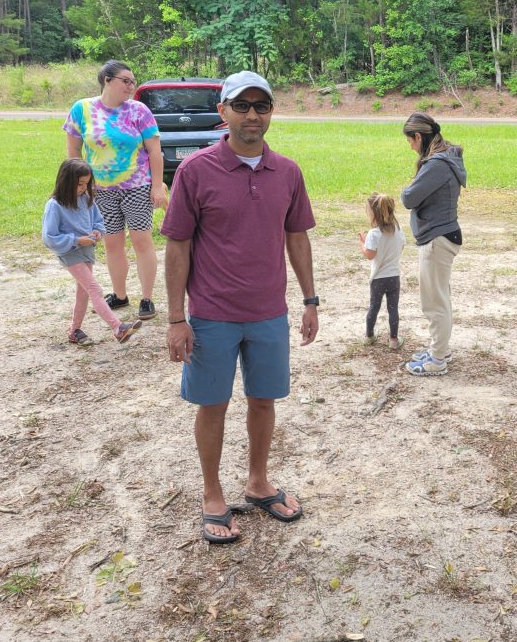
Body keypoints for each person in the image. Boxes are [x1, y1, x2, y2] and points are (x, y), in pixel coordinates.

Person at [161, 70, 319, 545]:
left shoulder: (287, 171)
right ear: (223, 112)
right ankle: (212, 493)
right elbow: (178, 247)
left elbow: (297, 236)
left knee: (264, 399)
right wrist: (175, 318)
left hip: (270, 310)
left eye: (262, 106)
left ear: (271, 113)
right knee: (213, 404)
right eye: (243, 106)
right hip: (212, 314)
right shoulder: (195, 171)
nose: (253, 115)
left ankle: (257, 482)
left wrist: (310, 300)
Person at [64, 59, 167, 322]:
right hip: (100, 190)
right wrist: (77, 187)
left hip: (137, 187)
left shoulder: (139, 110)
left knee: (142, 241)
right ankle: (120, 295)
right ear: (107, 80)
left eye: (133, 82)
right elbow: (74, 154)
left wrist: (157, 186)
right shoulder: (82, 109)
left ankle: (147, 298)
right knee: (112, 243)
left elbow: (155, 151)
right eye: (126, 81)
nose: (131, 86)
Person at [42, 158, 143, 346]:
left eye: (86, 184)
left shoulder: (86, 199)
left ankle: (74, 330)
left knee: (84, 292)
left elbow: (98, 221)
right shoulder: (54, 206)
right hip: (70, 253)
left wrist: (98, 231)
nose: (83, 188)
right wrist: (76, 240)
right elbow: (49, 237)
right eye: (79, 184)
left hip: (87, 251)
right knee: (95, 289)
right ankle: (118, 328)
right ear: (66, 181)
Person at [400, 112, 467, 377]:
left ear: (419, 136)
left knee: (434, 303)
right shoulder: (444, 158)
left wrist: (408, 189)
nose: (410, 146)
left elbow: (408, 197)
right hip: (441, 236)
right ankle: (440, 349)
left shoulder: (437, 164)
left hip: (437, 240)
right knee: (439, 298)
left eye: (410, 140)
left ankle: (438, 360)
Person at [359, 192, 406, 350]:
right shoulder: (398, 231)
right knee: (393, 308)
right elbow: (399, 247)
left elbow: (370, 254)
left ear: (374, 214)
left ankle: (369, 336)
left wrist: (363, 245)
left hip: (378, 278)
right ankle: (393, 340)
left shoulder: (374, 233)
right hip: (394, 277)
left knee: (374, 307)